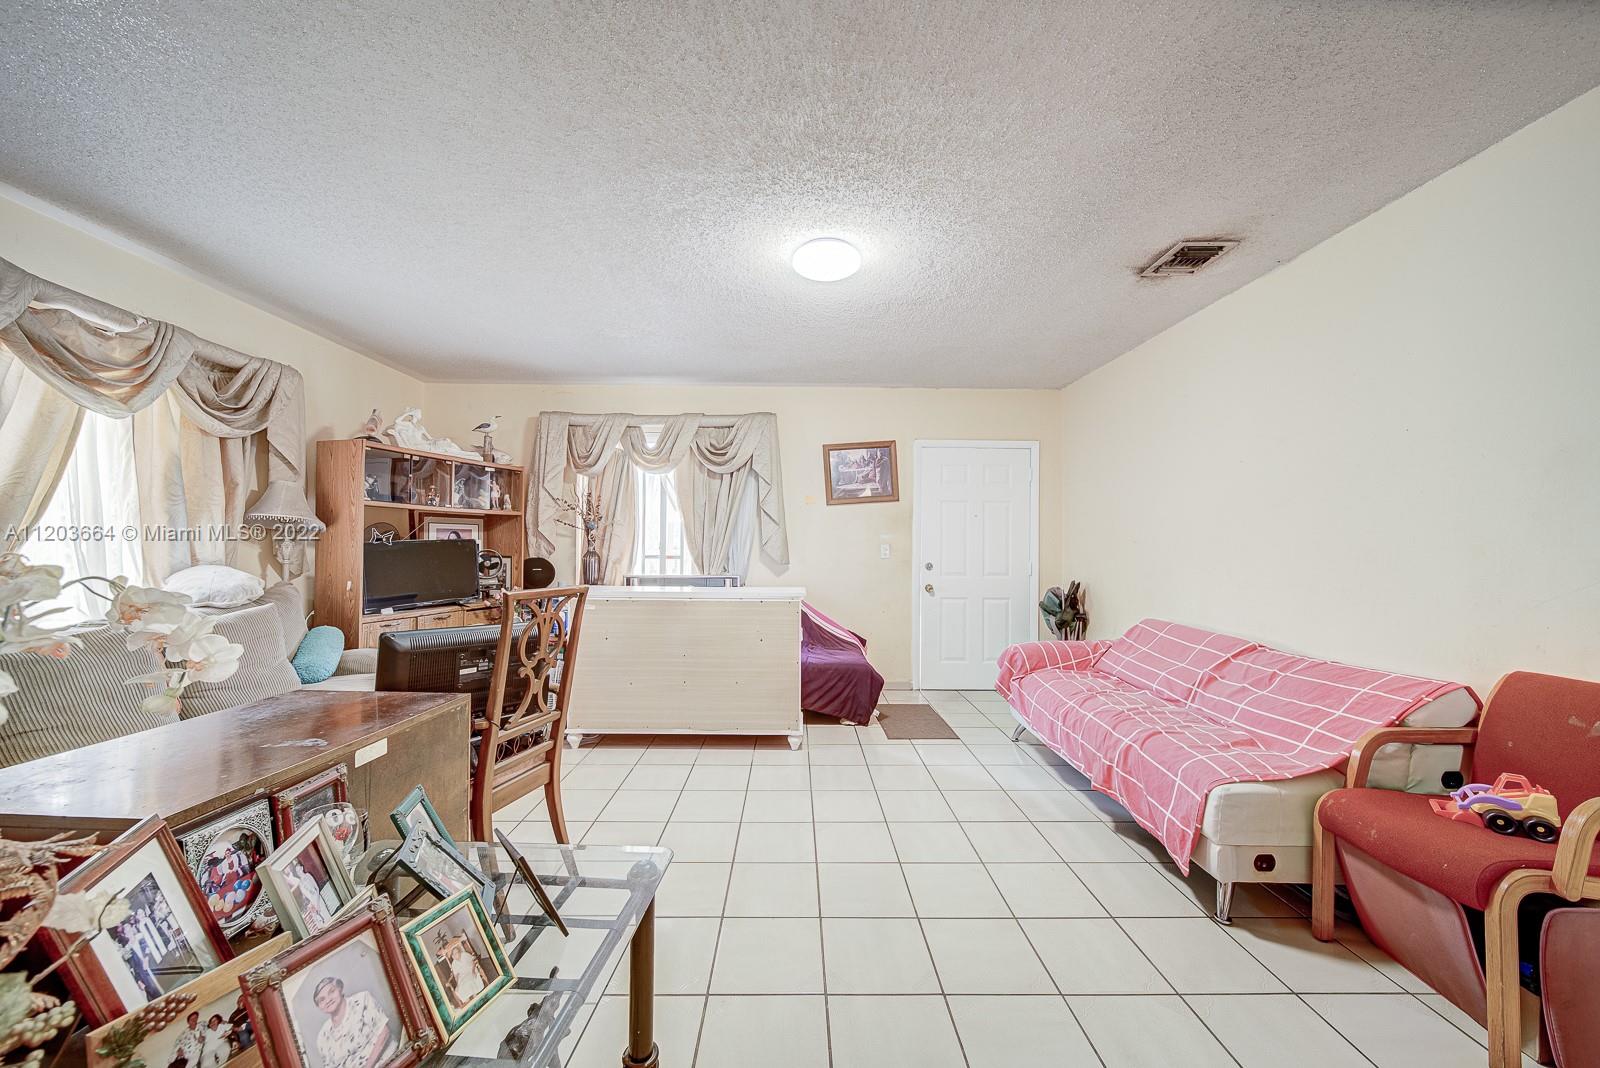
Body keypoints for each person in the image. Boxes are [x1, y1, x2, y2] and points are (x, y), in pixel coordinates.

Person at [311, 977, 395, 1068]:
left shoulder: (362, 1000)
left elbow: (384, 1033)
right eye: (322, 999)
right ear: (319, 1006)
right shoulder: (322, 1037)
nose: (328, 1000)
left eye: (331, 992)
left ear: (340, 988)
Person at [441, 938, 487, 1008]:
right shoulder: (454, 963)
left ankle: (476, 997)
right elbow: (456, 975)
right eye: (454, 954)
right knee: (460, 988)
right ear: (452, 956)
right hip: (462, 976)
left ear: (459, 952)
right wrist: (458, 983)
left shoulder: (465, 955)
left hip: (471, 970)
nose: (457, 955)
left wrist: (473, 970)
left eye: (457, 952)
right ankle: (469, 1002)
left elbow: (474, 962)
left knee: (469, 981)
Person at [288, 860, 332, 932]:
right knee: (320, 921)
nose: (299, 871)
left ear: (302, 868)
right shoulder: (300, 884)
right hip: (312, 903)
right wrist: (312, 905)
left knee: (326, 915)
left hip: (318, 899)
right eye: (297, 871)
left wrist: (317, 903)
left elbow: (317, 889)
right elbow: (305, 896)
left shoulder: (308, 875)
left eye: (299, 869)